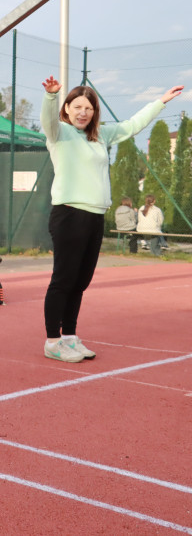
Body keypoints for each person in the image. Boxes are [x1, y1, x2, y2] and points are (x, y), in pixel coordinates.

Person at [40, 76, 182, 363]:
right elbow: (48, 121)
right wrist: (51, 97)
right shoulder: (59, 134)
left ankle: (69, 336)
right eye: (77, 106)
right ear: (67, 109)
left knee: (81, 281)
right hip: (69, 215)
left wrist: (160, 102)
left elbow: (132, 125)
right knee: (63, 279)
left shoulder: (100, 136)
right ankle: (52, 341)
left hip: (95, 216)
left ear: (94, 113)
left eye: (89, 108)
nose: (83, 112)